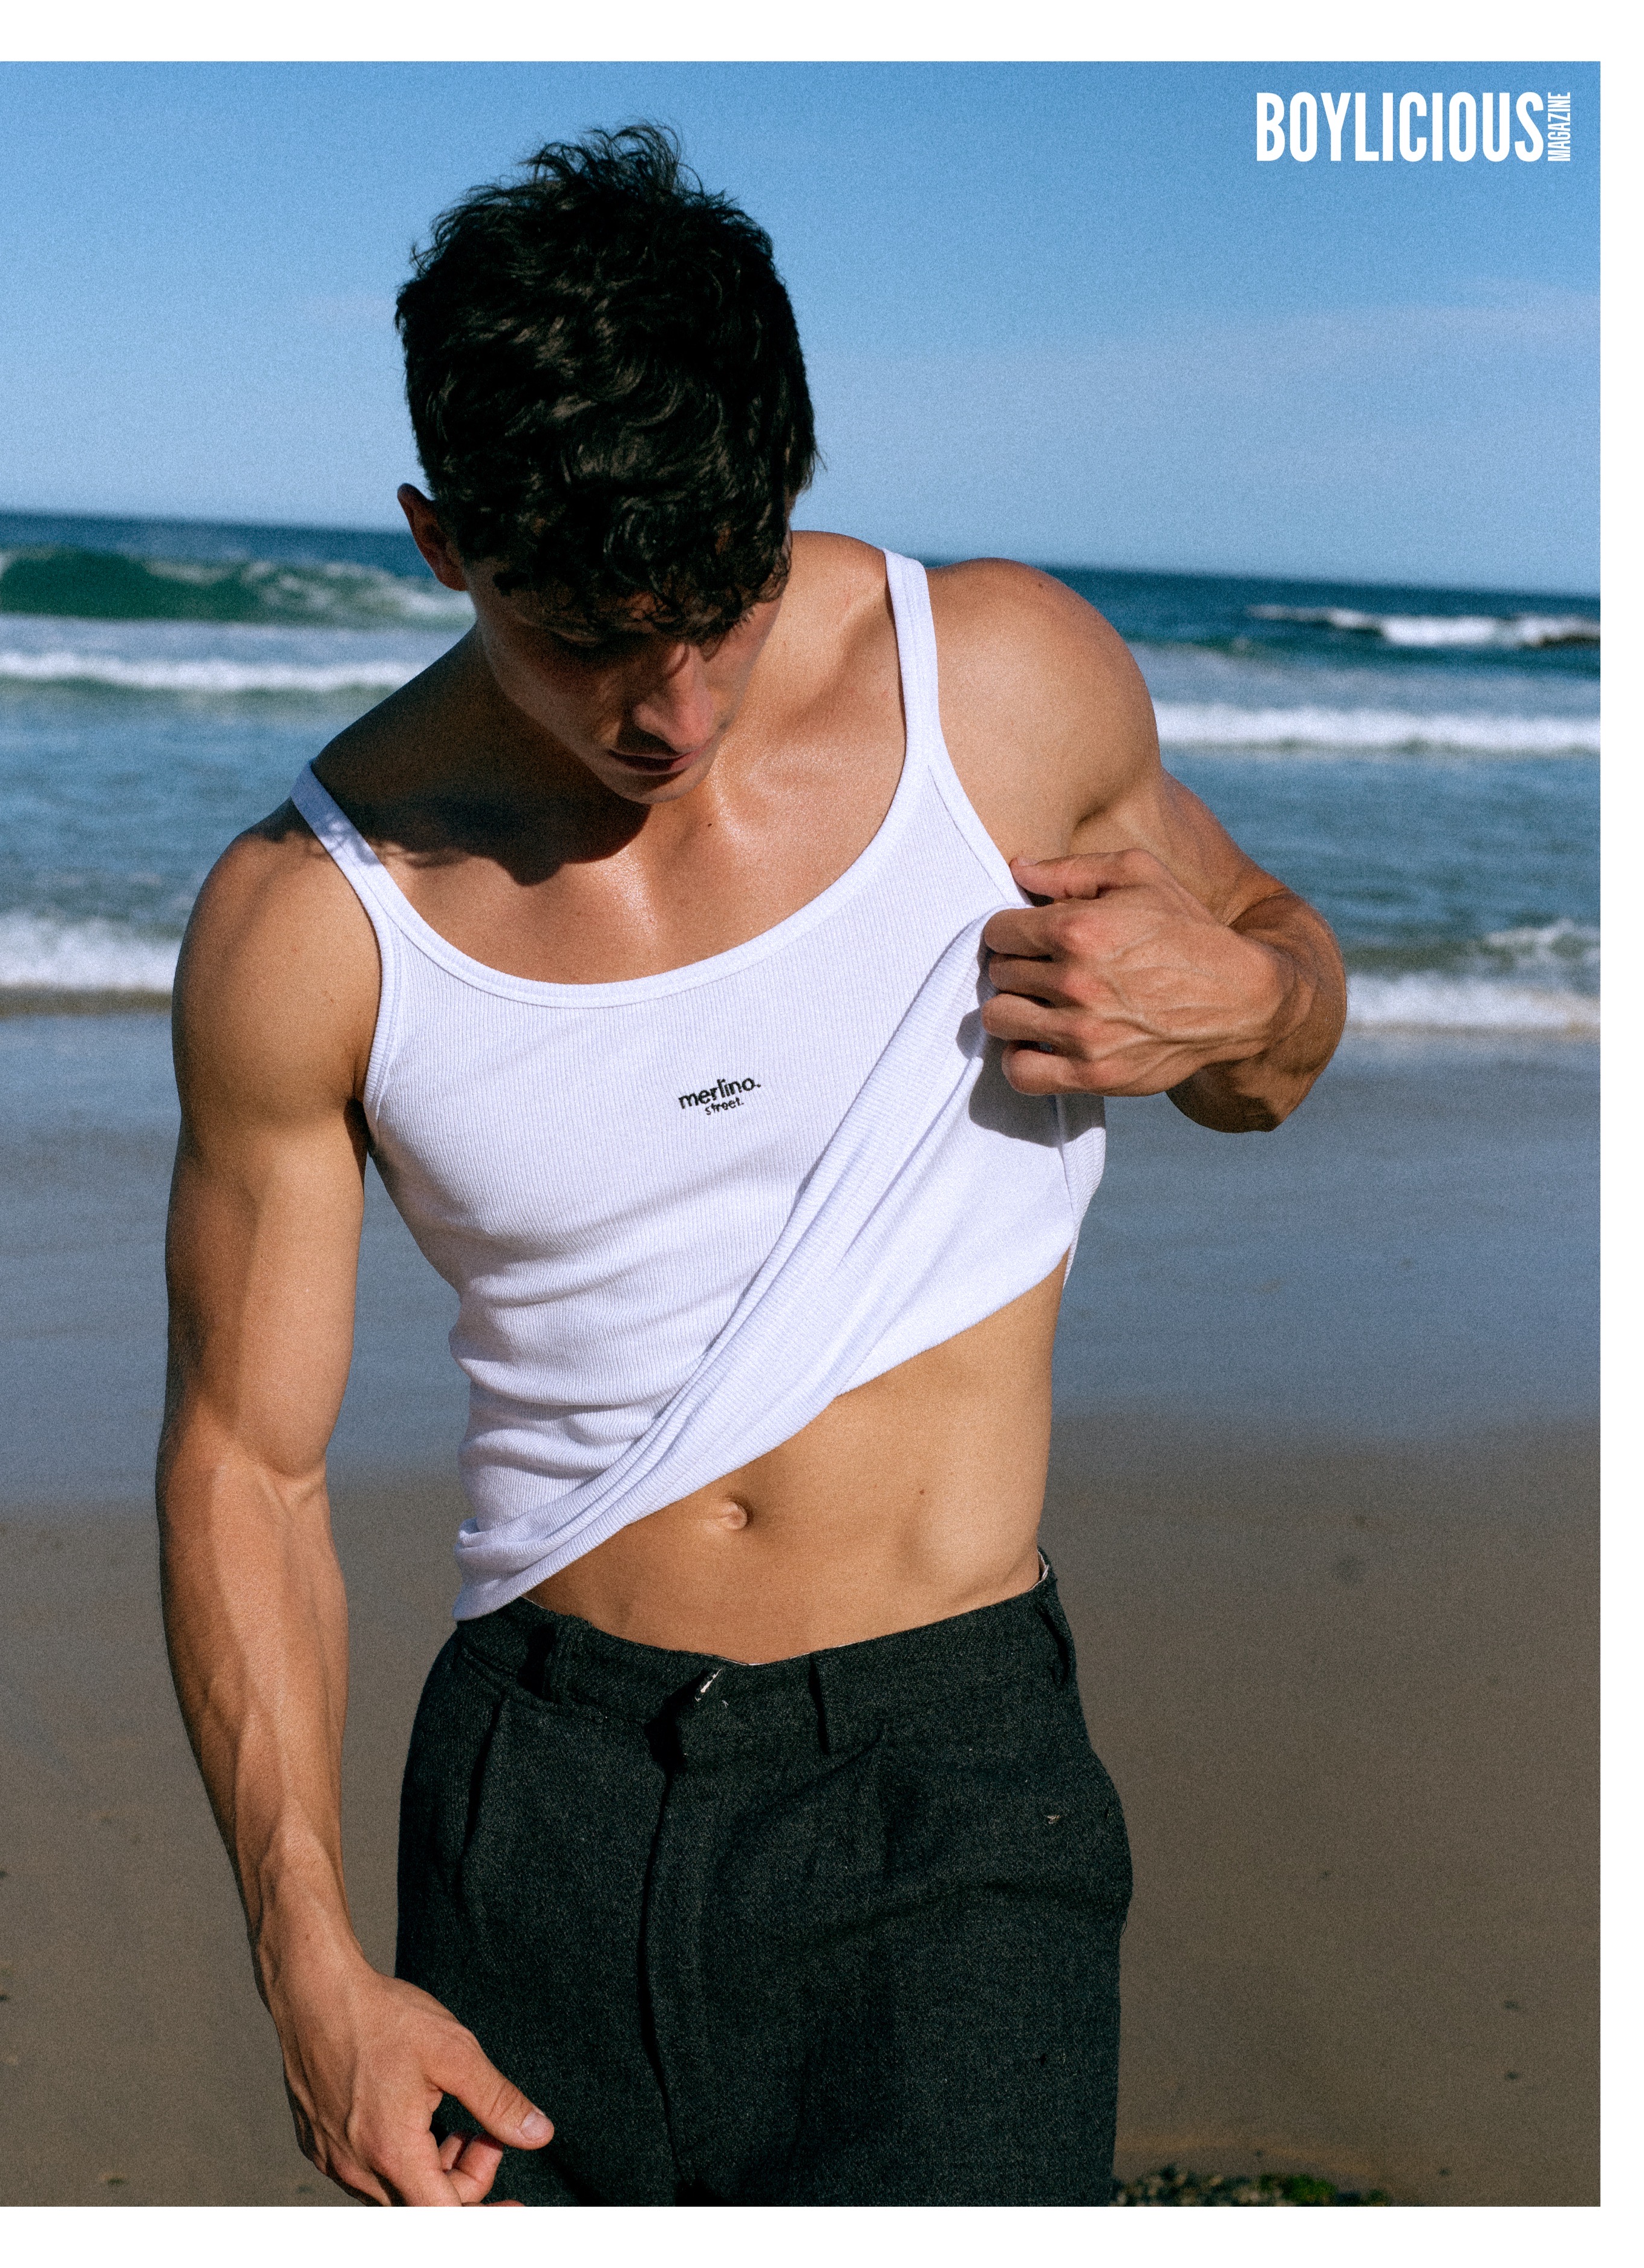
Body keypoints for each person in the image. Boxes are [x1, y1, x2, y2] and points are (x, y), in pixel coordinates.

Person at [157, 125, 1346, 2208]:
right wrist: (310, 1966)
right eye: (586, 639)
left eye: (715, 609)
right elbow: (247, 1467)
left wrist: (1240, 1001)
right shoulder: (313, 917)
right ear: (442, 542)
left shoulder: (1002, 690)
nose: (673, 707)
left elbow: (1281, 1028)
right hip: (536, 1789)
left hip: (948, 1793)